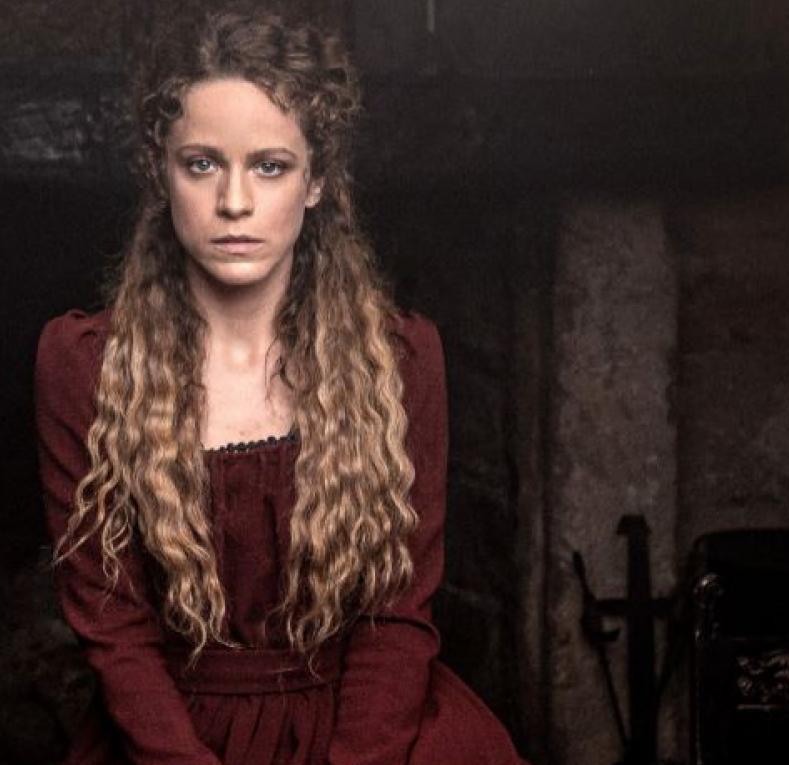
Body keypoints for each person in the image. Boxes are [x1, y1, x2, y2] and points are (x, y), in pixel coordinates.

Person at [34, 8, 525, 765]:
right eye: (202, 164)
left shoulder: (401, 360)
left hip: (369, 733)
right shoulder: (84, 364)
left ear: (317, 180)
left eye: (270, 166)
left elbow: (397, 618)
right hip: (173, 740)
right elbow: (113, 631)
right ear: (160, 174)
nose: (234, 201)